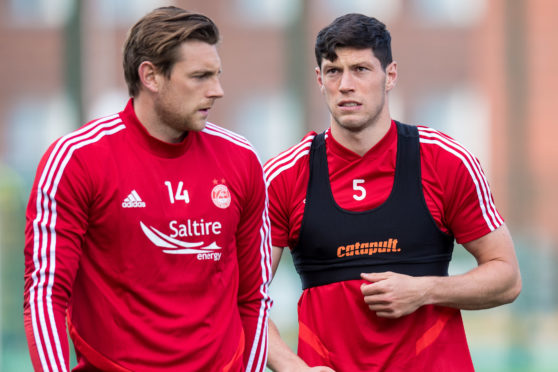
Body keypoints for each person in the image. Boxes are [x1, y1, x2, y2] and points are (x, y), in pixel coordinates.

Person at [264, 13, 521, 371]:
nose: (346, 84)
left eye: (361, 69)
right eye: (334, 71)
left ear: (391, 76)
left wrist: (426, 290)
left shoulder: (445, 160)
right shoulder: (284, 176)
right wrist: (295, 369)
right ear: (319, 80)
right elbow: (244, 298)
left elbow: (507, 277)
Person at [23, 6, 272, 372]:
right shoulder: (77, 159)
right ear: (151, 76)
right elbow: (46, 296)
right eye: (200, 76)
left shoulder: (241, 158)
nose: (217, 91)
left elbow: (254, 298)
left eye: (216, 75)